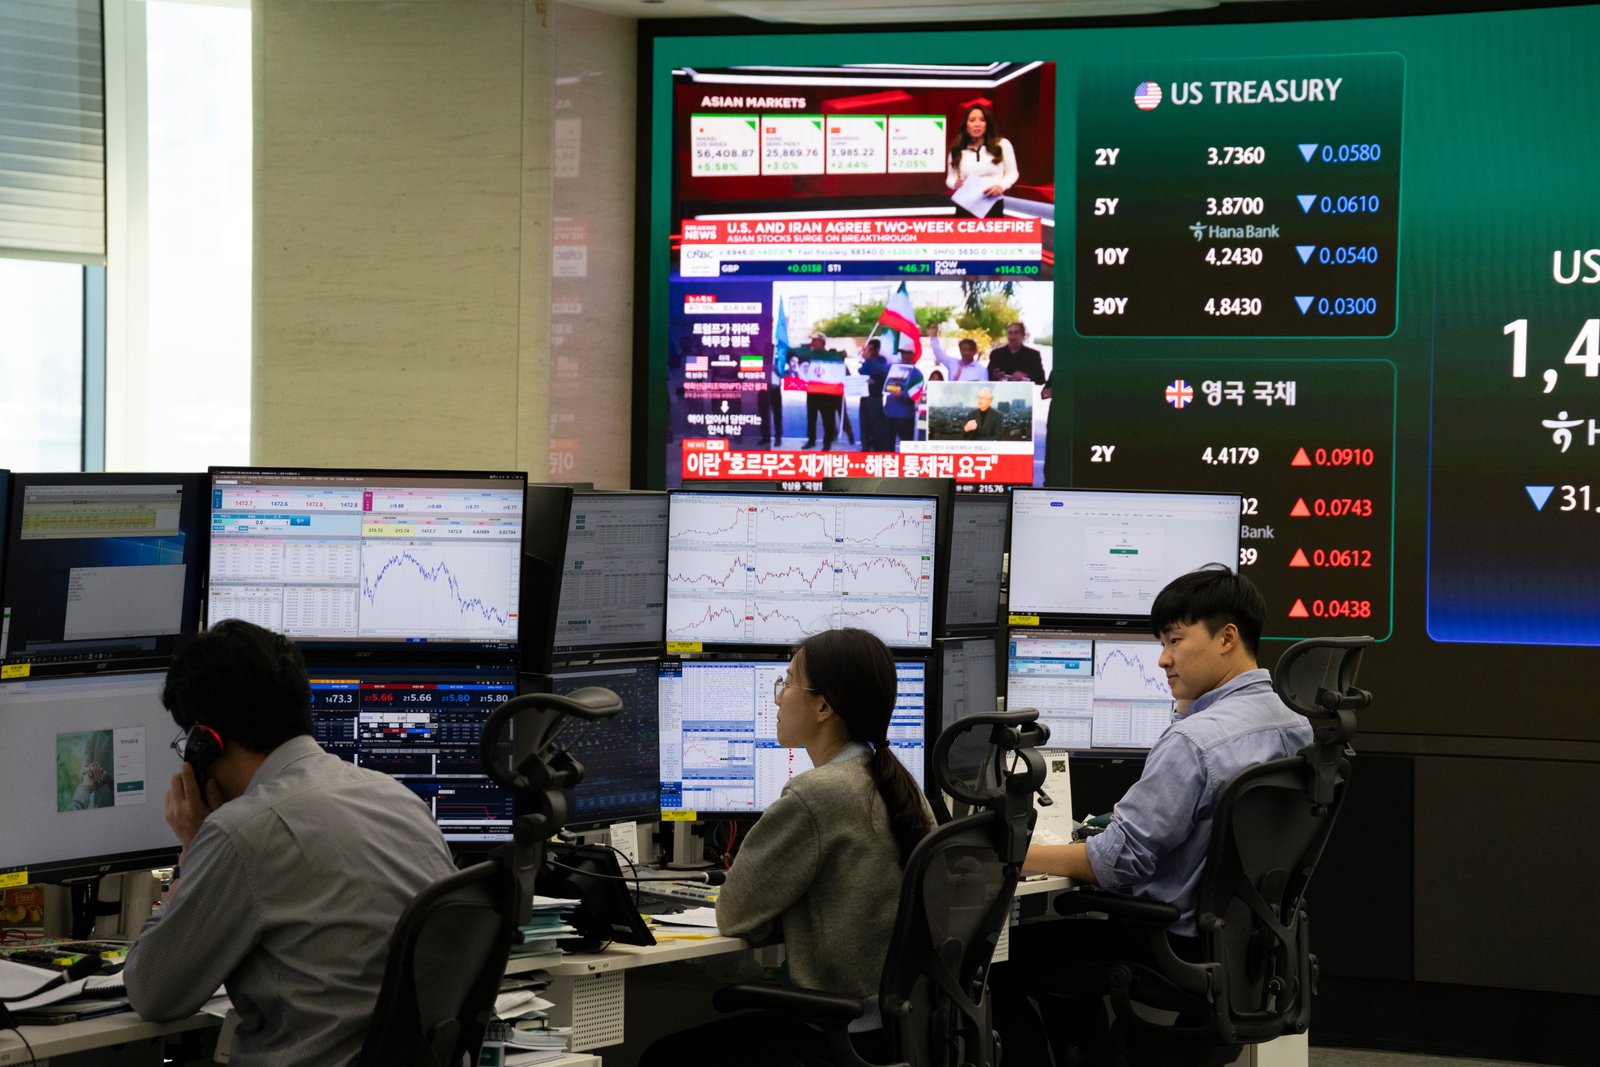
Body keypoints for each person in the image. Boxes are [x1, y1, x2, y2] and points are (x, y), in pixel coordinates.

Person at [993, 566, 1314, 1062]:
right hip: (1247, 948)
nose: (1163, 659)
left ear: (1227, 638)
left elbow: (1114, 863)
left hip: (1169, 947)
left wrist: (1015, 852)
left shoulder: (1195, 742)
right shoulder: (1296, 728)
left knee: (995, 970)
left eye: (1175, 640)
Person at [123, 619, 458, 1066]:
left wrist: (192, 847)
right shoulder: (399, 799)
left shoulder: (242, 831)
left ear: (205, 741)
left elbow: (152, 992)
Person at [639, 629, 935, 1067]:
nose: (777, 698)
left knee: (662, 1057)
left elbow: (735, 914)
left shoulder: (816, 793)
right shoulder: (899, 785)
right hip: (898, 1031)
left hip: (842, 1034)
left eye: (788, 682)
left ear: (823, 707)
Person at [946, 103, 1018, 218]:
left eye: (982, 120)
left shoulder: (1002, 144)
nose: (977, 124)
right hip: (965, 205)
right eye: (972, 120)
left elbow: (1012, 173)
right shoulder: (957, 148)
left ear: (987, 124)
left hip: (992, 204)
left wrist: (1001, 186)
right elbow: (950, 178)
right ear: (966, 124)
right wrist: (955, 184)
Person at [800, 332, 845, 450]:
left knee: (828, 418)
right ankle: (811, 440)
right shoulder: (811, 354)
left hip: (827, 392)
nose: (812, 343)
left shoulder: (831, 356)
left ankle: (827, 441)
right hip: (813, 391)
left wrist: (842, 354)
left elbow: (840, 359)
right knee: (811, 417)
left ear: (821, 342)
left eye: (814, 341)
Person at [881, 344, 925, 451]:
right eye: (903, 353)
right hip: (889, 413)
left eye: (907, 353)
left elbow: (917, 394)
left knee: (906, 447)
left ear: (913, 355)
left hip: (905, 416)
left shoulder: (917, 374)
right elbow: (878, 370)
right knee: (887, 446)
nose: (904, 355)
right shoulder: (892, 369)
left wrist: (903, 394)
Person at [987, 320, 1048, 390]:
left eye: (1016, 333)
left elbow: (1041, 380)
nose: (1012, 336)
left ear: (1023, 335)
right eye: (1010, 333)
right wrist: (994, 375)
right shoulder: (996, 354)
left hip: (1024, 393)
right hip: (1001, 392)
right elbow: (987, 376)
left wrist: (1025, 376)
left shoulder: (1033, 355)